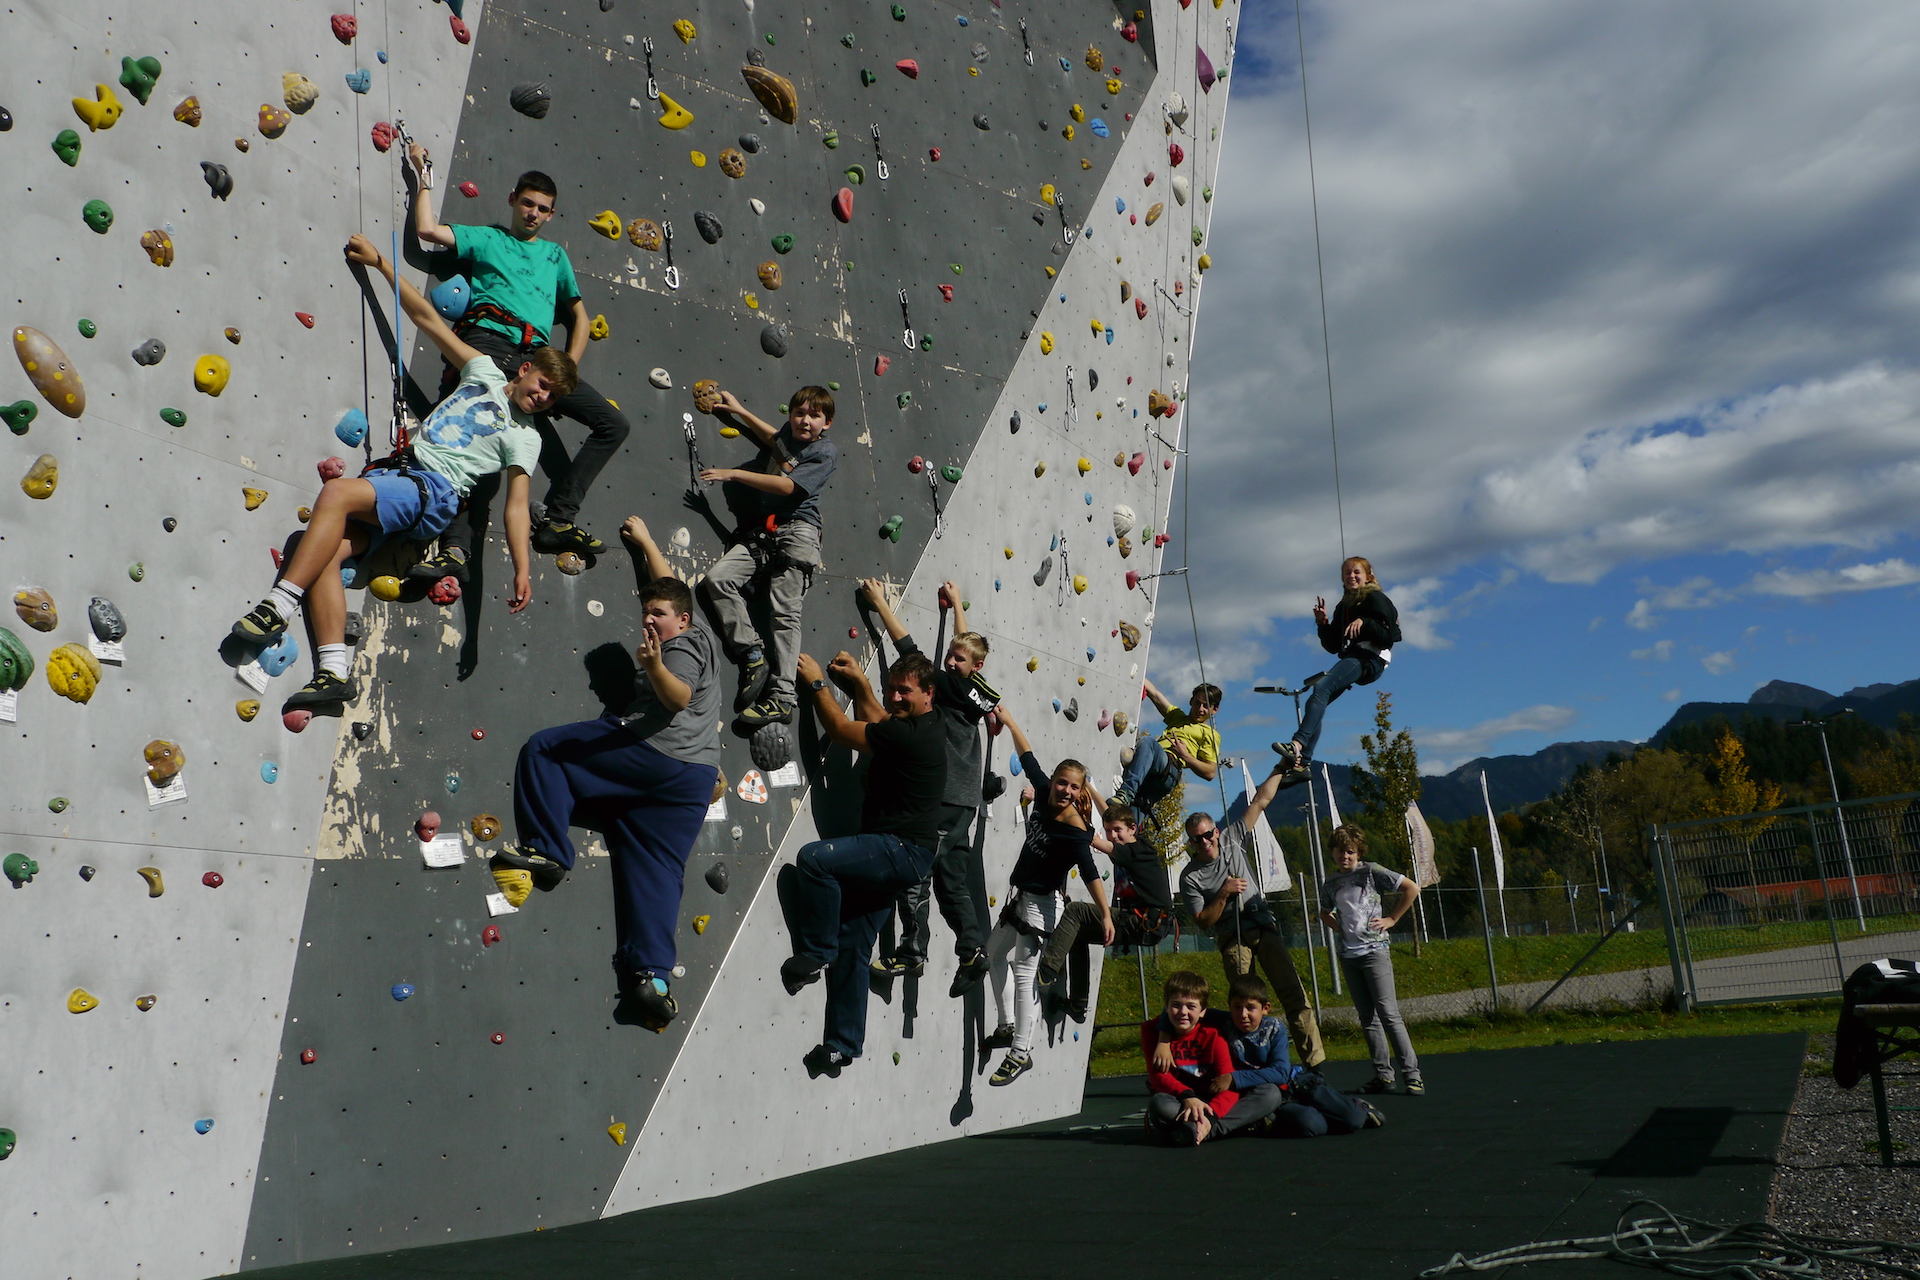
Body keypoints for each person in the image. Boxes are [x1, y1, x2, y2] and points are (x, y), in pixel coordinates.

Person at [230, 235, 567, 709]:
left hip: (434, 491)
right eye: (543, 385)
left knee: (337, 496)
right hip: (403, 480)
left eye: (552, 399)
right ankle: (334, 672)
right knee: (317, 550)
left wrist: (523, 567)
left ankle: (277, 606)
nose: (542, 397)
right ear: (526, 369)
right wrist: (382, 265)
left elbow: (515, 506)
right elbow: (428, 318)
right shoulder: (486, 372)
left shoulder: (526, 436)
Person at [490, 517, 721, 1031]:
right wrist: (645, 542)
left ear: (681, 621)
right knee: (655, 866)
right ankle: (653, 980)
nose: (649, 620)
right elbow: (668, 588)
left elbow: (678, 697)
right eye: (644, 613)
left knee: (545, 751)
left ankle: (547, 851)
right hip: (694, 779)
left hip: (658, 753)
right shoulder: (695, 628)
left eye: (657, 615)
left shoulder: (678, 647)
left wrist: (654, 665)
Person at [404, 146, 629, 574]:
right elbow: (428, 231)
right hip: (489, 342)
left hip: (539, 361)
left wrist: (566, 371)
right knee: (473, 438)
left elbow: (578, 316)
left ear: (550, 215)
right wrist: (423, 178)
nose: (533, 213)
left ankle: (559, 520)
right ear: (512, 200)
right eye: (527, 203)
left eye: (543, 209)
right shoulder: (488, 238)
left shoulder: (554, 256)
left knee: (614, 423)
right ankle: (455, 550)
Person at [781, 649, 946, 1079]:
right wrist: (861, 685)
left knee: (814, 861)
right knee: (854, 944)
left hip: (900, 850)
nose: (895, 698)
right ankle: (841, 1045)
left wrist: (817, 683)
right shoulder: (923, 724)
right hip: (898, 851)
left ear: (929, 693)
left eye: (904, 691)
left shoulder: (911, 736)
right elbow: (879, 717)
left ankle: (815, 953)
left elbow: (838, 728)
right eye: (892, 688)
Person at [856, 578, 998, 997]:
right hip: (965, 800)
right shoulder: (976, 691)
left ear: (973, 666)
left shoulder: (949, 684)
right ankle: (971, 949)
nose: (950, 662)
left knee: (916, 867)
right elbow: (967, 649)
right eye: (950, 657)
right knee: (951, 878)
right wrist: (957, 605)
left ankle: (912, 949)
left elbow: (910, 651)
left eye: (957, 659)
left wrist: (880, 603)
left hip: (943, 795)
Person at [980, 705, 1113, 1086]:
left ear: (1080, 791)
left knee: (1025, 977)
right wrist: (1008, 721)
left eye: (1075, 787)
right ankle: (1007, 1025)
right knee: (990, 957)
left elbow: (1089, 873)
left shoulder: (1074, 827)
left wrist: (1105, 914)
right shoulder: (1041, 793)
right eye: (1063, 783)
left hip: (1042, 909)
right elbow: (1027, 756)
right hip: (1021, 899)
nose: (1067, 791)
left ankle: (1021, 1052)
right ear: (1053, 781)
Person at [697, 386, 839, 728]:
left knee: (784, 610)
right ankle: (752, 654)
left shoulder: (825, 452)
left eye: (814, 416)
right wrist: (739, 411)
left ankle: (783, 698)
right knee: (717, 580)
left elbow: (789, 487)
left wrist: (734, 474)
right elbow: (774, 439)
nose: (805, 421)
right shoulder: (790, 434)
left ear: (827, 423)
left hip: (799, 533)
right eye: (799, 413)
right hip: (766, 533)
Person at [1179, 764, 1327, 1068]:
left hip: (1262, 924)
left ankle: (1315, 1065)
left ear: (1216, 832)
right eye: (1197, 839)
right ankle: (1252, 1065)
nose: (1204, 842)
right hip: (1231, 936)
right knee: (1244, 1006)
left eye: (1208, 835)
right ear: (1190, 843)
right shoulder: (1190, 877)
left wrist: (1277, 768)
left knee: (1293, 992)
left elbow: (1260, 800)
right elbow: (1202, 921)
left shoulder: (1233, 838)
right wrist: (1223, 892)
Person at [1036, 799, 1174, 1022]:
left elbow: (1094, 841)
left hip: (1147, 921)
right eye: (1108, 831)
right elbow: (1109, 814)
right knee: (1078, 932)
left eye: (1118, 831)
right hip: (1148, 923)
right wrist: (1090, 790)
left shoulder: (1136, 849)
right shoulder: (1128, 845)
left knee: (1076, 911)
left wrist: (1062, 811)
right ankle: (1078, 1005)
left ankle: (1046, 972)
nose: (1113, 836)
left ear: (1133, 829)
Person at [1274, 556, 1401, 782]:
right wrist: (1323, 623)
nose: (1351, 576)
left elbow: (1389, 637)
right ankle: (1303, 765)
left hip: (1370, 657)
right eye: (1347, 573)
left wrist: (1365, 622)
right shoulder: (1344, 606)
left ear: (1368, 576)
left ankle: (1297, 744)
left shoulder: (1376, 599)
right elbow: (1333, 645)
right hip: (1354, 656)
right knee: (1318, 701)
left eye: (1356, 572)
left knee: (1321, 689)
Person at [1205, 975, 1383, 1137]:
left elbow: (1280, 1072)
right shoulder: (1224, 1022)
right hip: (1279, 1097)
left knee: (1353, 1119)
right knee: (1312, 1126)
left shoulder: (1274, 1029)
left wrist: (1233, 1078)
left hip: (1297, 1083)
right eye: (1237, 1007)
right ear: (1229, 1007)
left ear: (1265, 1008)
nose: (1243, 1014)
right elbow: (1193, 1011)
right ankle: (1309, 1114)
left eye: (1251, 1008)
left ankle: (1356, 1106)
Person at [1320, 824, 1424, 1095]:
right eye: (1340, 851)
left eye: (1350, 852)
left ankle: (1412, 1075)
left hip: (1374, 952)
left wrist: (1392, 919)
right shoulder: (1330, 882)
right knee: (1368, 1017)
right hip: (1349, 955)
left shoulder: (1370, 872)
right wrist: (1339, 928)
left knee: (1388, 1013)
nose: (1345, 856)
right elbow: (1323, 912)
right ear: (1332, 852)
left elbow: (1411, 889)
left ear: (1359, 853)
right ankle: (1384, 1075)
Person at [1142, 970, 1281, 1145]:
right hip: (1181, 1100)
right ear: (1166, 1006)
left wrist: (1211, 1117)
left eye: (1191, 1006)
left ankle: (1199, 1131)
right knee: (1159, 1103)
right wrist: (1188, 1097)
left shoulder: (1214, 1034)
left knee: (1270, 1094)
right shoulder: (1151, 1031)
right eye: (1176, 1005)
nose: (1183, 1012)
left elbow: (1228, 1087)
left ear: (1203, 1011)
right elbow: (1158, 1078)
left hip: (1212, 1102)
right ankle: (1230, 1126)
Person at [1111, 679, 1222, 811]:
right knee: (1127, 816)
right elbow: (1155, 694)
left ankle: (1127, 791)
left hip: (1171, 767)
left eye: (1206, 706)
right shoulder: (1177, 716)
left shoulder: (1210, 734)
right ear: (1191, 701)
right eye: (1197, 703)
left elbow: (1210, 772)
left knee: (1148, 743)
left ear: (1214, 709)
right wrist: (1137, 669)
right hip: (1154, 769)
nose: (1200, 709)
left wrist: (1185, 756)